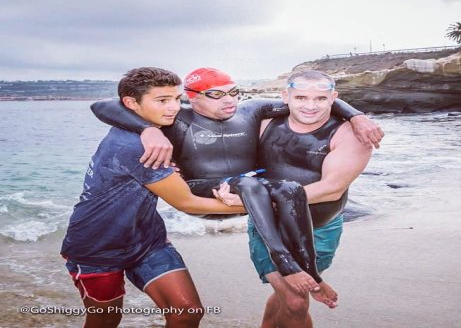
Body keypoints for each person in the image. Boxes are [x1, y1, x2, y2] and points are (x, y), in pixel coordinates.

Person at [90, 67, 384, 303]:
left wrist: (356, 116)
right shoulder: (177, 118)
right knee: (257, 186)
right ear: (191, 98)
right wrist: (148, 130)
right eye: (216, 94)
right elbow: (102, 105)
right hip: (210, 194)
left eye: (233, 92)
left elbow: (313, 99)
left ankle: (303, 270)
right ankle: (289, 264)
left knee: (281, 189)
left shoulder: (251, 111)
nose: (229, 100)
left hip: (247, 199)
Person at [60, 67, 246, 328]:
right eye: (162, 100)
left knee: (187, 313)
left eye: (176, 98)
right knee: (105, 320)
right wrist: (259, 206)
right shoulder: (135, 146)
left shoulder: (153, 131)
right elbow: (186, 203)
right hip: (96, 246)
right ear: (131, 103)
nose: (173, 107)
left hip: (146, 239)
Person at [242, 69, 373, 327]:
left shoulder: (353, 135)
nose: (310, 106)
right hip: (269, 229)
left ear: (333, 98)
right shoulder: (262, 124)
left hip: (320, 231)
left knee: (289, 296)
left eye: (320, 99)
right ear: (285, 97)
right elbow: (213, 141)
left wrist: (258, 199)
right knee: (295, 301)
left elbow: (331, 189)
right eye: (301, 98)